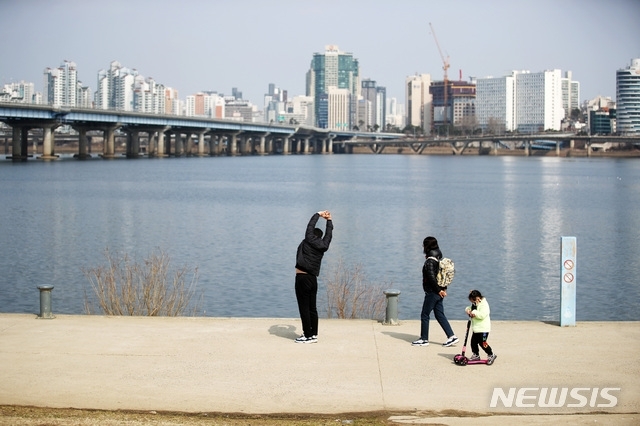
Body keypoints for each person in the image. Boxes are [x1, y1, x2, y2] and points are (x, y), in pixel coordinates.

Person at [294, 210, 333, 343]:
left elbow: (310, 226)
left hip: (302, 278)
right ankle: (314, 333)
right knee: (312, 307)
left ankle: (307, 335)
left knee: (303, 307)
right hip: (312, 279)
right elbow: (329, 235)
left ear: (311, 235)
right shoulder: (323, 246)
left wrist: (318, 214)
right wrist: (329, 220)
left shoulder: (308, 240)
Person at [412, 236, 458, 347]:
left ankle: (424, 339)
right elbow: (441, 275)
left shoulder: (429, 262)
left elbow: (432, 278)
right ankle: (452, 336)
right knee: (439, 315)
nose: (422, 246)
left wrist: (438, 291)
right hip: (440, 291)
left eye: (424, 244)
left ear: (427, 246)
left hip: (433, 292)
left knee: (425, 314)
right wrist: (443, 289)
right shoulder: (439, 257)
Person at [465, 289, 497, 364]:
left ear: (478, 298)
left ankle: (491, 354)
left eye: (473, 301)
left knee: (483, 343)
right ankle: (476, 355)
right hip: (476, 328)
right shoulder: (475, 304)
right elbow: (470, 308)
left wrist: (474, 312)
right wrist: (468, 310)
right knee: (473, 342)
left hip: (484, 329)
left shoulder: (484, 305)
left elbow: (482, 315)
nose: (472, 303)